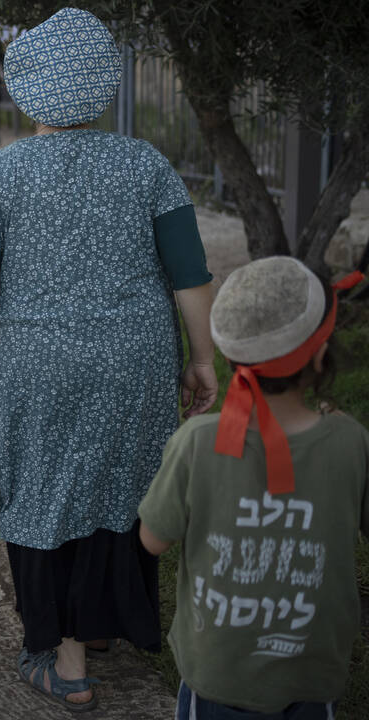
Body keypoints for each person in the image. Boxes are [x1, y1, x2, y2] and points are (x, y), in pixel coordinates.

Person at [0, 8, 218, 711]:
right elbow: (190, 275)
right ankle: (103, 625)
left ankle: (66, 661)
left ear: (25, 89)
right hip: (133, 356)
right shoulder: (146, 164)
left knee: (45, 497)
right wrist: (202, 360)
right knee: (120, 485)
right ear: (103, 84)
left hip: (35, 360)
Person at [139, 257, 369, 720]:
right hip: (312, 669)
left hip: (218, 676)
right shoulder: (350, 442)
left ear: (230, 355)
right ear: (320, 355)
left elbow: (152, 538)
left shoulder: (197, 443)